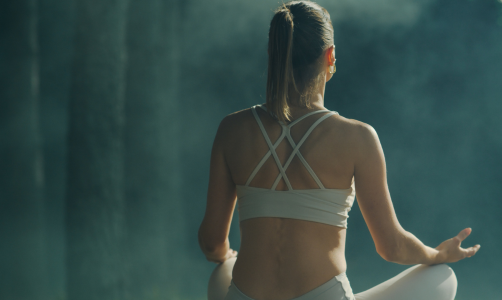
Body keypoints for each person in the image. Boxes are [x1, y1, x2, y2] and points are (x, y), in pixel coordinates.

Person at [198, 1, 481, 299]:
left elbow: (211, 243)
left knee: (223, 270)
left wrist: (226, 255)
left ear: (274, 54)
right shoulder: (357, 137)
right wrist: (438, 255)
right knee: (443, 277)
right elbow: (391, 247)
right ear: (330, 56)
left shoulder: (232, 129)